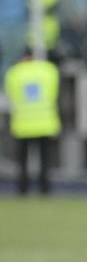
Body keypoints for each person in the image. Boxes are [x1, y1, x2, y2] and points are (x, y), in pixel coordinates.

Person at [4, 46, 61, 195]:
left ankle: (22, 189)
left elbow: (11, 95)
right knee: (45, 161)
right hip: (45, 123)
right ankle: (45, 189)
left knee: (22, 161)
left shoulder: (14, 73)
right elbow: (54, 93)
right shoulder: (48, 71)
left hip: (23, 124)